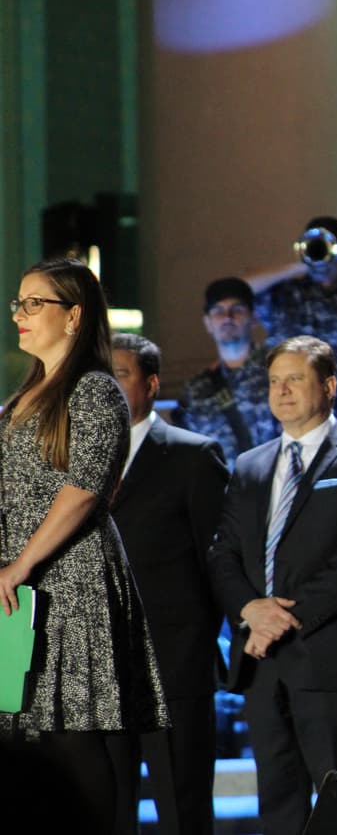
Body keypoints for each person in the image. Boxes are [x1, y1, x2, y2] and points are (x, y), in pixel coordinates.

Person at [0, 257, 169, 833]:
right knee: (28, 734)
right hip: (19, 590)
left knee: (73, 733)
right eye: (17, 303)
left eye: (33, 303)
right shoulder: (25, 395)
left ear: (73, 316)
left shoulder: (95, 391)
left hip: (70, 581)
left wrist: (21, 564)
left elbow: (83, 488)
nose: (19, 315)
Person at [207, 336, 337, 835]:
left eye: (295, 379)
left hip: (325, 652)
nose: (282, 391)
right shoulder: (250, 465)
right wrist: (249, 611)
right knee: (277, 799)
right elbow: (225, 554)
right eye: (274, 381)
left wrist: (281, 615)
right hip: (261, 662)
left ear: (328, 386)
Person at [111, 332, 230, 835]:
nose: (107, 388)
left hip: (173, 669)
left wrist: (201, 643)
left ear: (151, 384)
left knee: (182, 811)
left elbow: (217, 561)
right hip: (95, 672)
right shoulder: (69, 460)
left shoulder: (192, 456)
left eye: (120, 375)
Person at [244, 216, 337, 436]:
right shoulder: (282, 295)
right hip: (285, 425)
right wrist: (298, 266)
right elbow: (243, 287)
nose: (321, 259)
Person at [174, 277, 278, 469]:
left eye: (237, 309)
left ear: (254, 318)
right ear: (207, 322)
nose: (227, 317)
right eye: (218, 311)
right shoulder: (196, 390)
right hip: (222, 496)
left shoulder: (279, 374)